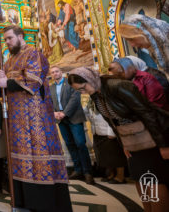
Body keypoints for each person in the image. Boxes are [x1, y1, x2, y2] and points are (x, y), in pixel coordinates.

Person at [68, 67, 169, 212]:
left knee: (153, 179)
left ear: (90, 79)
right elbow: (112, 121)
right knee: (140, 179)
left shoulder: (118, 86)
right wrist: (124, 144)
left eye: (83, 88)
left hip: (150, 137)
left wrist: (163, 145)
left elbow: (147, 114)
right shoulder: (95, 94)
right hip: (132, 140)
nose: (83, 93)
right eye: (79, 91)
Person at [0, 25, 72, 212]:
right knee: (20, 158)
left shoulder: (34, 54)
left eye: (9, 38)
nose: (7, 43)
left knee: (39, 153)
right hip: (16, 119)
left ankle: (43, 204)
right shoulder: (8, 61)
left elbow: (35, 80)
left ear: (21, 36)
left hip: (35, 115)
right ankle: (23, 201)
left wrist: (8, 82)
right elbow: (4, 90)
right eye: (5, 39)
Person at [49, 66, 94, 184]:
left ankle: (87, 172)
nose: (55, 74)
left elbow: (75, 99)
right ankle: (78, 170)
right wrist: (54, 113)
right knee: (70, 144)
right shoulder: (51, 87)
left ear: (61, 72)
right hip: (61, 120)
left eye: (57, 71)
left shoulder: (70, 84)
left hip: (74, 117)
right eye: (52, 72)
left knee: (80, 144)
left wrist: (64, 113)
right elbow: (49, 102)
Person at [82, 94, 127, 184]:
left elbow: (111, 116)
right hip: (98, 131)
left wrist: (112, 132)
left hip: (108, 131)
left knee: (116, 154)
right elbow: (87, 112)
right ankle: (111, 174)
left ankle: (120, 176)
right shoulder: (91, 99)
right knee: (106, 155)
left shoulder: (104, 98)